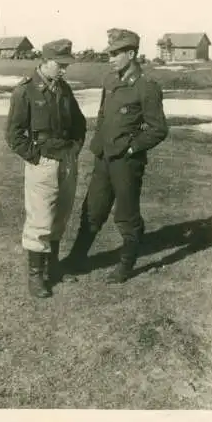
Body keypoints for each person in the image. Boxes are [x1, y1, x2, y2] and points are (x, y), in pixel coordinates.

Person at [64, 28, 168, 283]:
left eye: (115, 54)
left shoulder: (146, 88)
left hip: (126, 162)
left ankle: (126, 264)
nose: (110, 58)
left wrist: (131, 148)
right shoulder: (110, 81)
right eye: (109, 53)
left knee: (126, 213)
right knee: (92, 209)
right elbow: (102, 115)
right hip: (104, 159)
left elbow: (158, 129)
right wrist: (99, 146)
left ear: (131, 54)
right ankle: (77, 258)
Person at [5, 39, 86, 298]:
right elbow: (14, 134)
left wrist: (75, 148)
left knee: (61, 217)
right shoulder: (25, 91)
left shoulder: (64, 89)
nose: (64, 70)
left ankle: (54, 269)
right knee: (40, 220)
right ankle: (36, 276)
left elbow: (79, 123)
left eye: (66, 65)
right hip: (43, 163)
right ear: (44, 61)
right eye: (60, 65)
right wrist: (35, 156)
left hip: (67, 162)